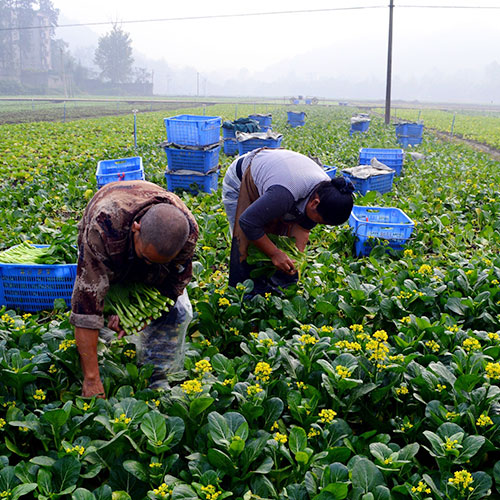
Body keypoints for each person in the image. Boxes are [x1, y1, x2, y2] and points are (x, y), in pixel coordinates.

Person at [70, 180, 198, 398]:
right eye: (147, 257)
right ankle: (99, 362)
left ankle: (157, 375)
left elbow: (175, 282)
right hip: (109, 222)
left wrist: (142, 313)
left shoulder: (186, 234)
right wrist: (91, 379)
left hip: (143, 234)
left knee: (177, 312)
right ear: (136, 227)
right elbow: (85, 309)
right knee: (97, 310)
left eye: (158, 262)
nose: (149, 265)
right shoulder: (102, 229)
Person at [222, 148, 354, 293]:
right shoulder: (284, 193)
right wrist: (275, 254)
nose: (317, 224)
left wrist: (294, 262)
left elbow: (302, 229)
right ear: (315, 203)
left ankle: (267, 287)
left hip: (278, 177)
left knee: (272, 239)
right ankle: (242, 293)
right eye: (320, 221)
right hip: (241, 179)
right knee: (245, 243)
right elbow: (247, 222)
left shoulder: (328, 194)